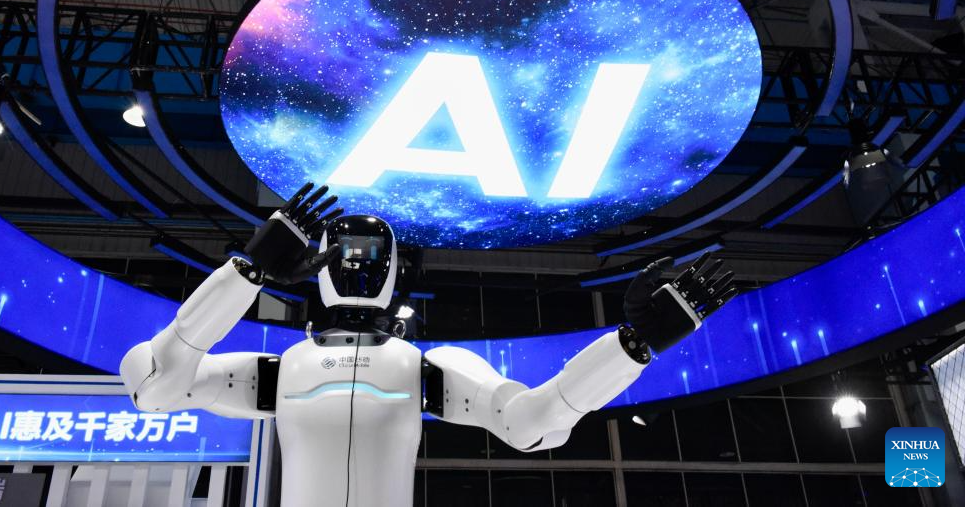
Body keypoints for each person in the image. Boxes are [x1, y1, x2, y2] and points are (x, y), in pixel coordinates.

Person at [120, 183, 736, 507]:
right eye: (345, 252)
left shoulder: (423, 368)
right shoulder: (281, 371)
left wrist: (635, 344)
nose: (357, 264)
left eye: (369, 254)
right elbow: (153, 385)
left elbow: (532, 423)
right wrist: (243, 273)